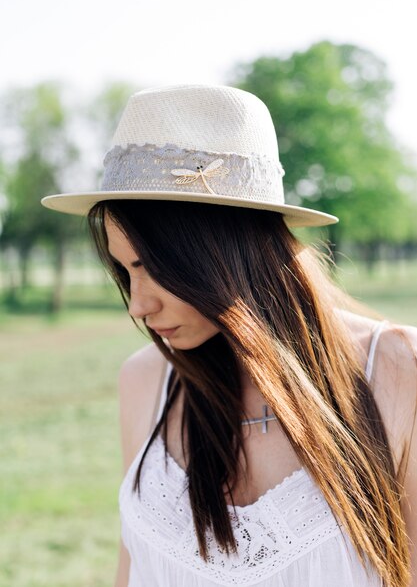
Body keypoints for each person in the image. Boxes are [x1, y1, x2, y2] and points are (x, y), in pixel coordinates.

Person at [41, 84, 417, 587]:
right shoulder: (146, 382)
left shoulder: (396, 368)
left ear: (223, 251)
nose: (137, 304)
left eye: (152, 267)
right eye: (123, 271)